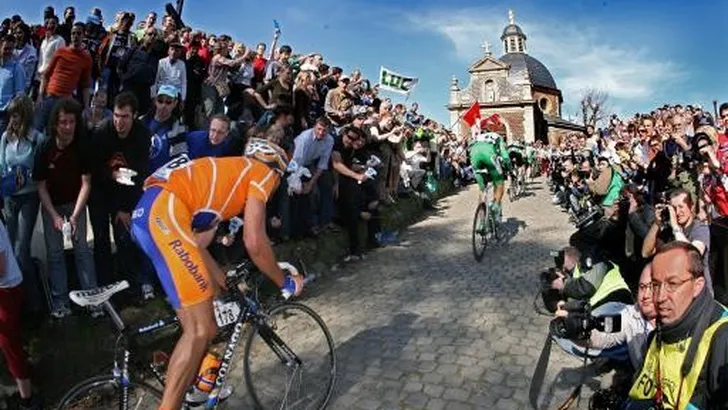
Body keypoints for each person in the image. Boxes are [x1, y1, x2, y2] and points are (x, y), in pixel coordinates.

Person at [130, 138, 304, 409]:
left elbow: (195, 247)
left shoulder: (227, 178)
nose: (274, 187)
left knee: (203, 327)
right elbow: (255, 242)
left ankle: (196, 391)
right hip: (165, 213)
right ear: (278, 171)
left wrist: (222, 281)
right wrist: (285, 282)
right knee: (200, 330)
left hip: (149, 215)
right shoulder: (262, 173)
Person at [624, 242, 728, 409]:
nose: (659, 297)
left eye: (672, 284)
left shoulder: (721, 336)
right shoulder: (660, 330)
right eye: (656, 285)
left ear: (698, 286)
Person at [34, 98, 98, 318]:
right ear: (55, 124)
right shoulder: (44, 147)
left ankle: (92, 298)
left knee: (82, 250)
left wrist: (75, 215)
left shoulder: (82, 145)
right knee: (55, 253)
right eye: (63, 122)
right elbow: (40, 186)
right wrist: (53, 216)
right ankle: (60, 301)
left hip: (75, 203)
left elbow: (87, 182)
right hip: (52, 203)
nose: (68, 127)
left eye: (71, 122)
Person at [0, 96, 45, 313]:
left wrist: (26, 178)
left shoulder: (37, 139)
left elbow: (40, 171)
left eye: (16, 114)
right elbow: (1, 166)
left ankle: (34, 304)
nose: (13, 119)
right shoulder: (5, 138)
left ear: (25, 114)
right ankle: (16, 304)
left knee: (21, 250)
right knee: (8, 252)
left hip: (29, 197)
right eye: (11, 115)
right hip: (10, 197)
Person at [468, 114, 510, 222]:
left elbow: (469, 150)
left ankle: (481, 223)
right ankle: (495, 205)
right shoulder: (497, 137)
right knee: (499, 182)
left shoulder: (477, 138)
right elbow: (505, 155)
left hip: (474, 156)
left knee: (482, 189)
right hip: (489, 156)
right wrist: (508, 167)